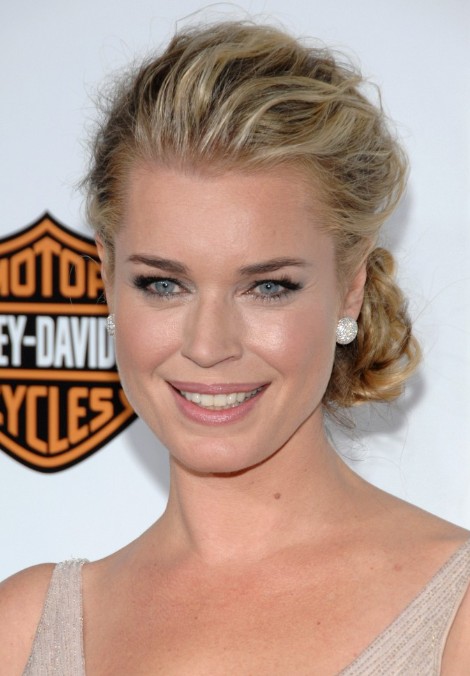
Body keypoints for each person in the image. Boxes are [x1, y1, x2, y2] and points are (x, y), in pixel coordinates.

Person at [1, 19, 469, 675]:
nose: (208, 344)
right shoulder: (25, 629)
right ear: (107, 277)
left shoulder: (456, 617)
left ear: (350, 288)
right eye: (163, 284)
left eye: (268, 287)